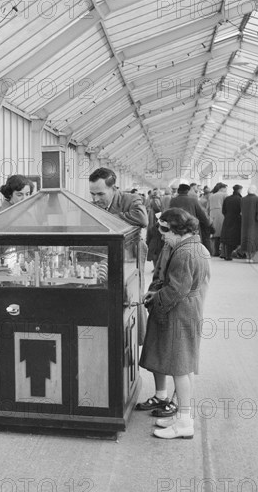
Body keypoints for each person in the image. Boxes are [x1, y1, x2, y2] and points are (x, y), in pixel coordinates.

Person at [136, 208, 211, 439]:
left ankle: (185, 422)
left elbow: (176, 289)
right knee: (185, 366)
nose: (162, 236)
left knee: (179, 367)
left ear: (175, 229)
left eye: (164, 230)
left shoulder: (184, 253)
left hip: (180, 314)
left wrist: (155, 300)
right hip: (190, 311)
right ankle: (182, 417)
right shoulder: (196, 247)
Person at [89, 167, 148, 345]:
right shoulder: (93, 204)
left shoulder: (131, 199)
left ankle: (136, 338)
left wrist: (107, 217)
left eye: (100, 194)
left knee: (131, 295)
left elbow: (142, 219)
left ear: (114, 188)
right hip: (105, 253)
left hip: (130, 254)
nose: (95, 199)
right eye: (92, 194)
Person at [169, 182, 213, 253]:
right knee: (192, 248)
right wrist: (208, 222)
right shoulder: (193, 200)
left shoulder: (173, 200)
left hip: (177, 228)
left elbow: (170, 214)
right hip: (191, 227)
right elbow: (201, 214)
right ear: (187, 191)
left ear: (178, 191)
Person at [240, 185, 258, 263]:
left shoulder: (242, 199)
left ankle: (247, 256)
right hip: (254, 224)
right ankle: (251, 258)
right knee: (254, 239)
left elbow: (241, 211)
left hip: (244, 224)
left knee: (245, 239)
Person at [221, 184, 243, 260]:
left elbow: (223, 211)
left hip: (227, 219)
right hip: (237, 220)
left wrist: (227, 216)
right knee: (236, 238)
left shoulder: (227, 198)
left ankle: (227, 255)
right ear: (239, 190)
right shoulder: (240, 199)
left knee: (228, 238)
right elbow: (242, 211)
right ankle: (237, 253)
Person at [208, 182, 228, 257]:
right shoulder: (224, 195)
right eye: (225, 188)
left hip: (212, 214)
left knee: (214, 234)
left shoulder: (211, 196)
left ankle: (214, 251)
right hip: (221, 214)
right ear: (222, 188)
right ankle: (222, 252)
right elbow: (226, 205)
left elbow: (207, 207)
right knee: (222, 234)